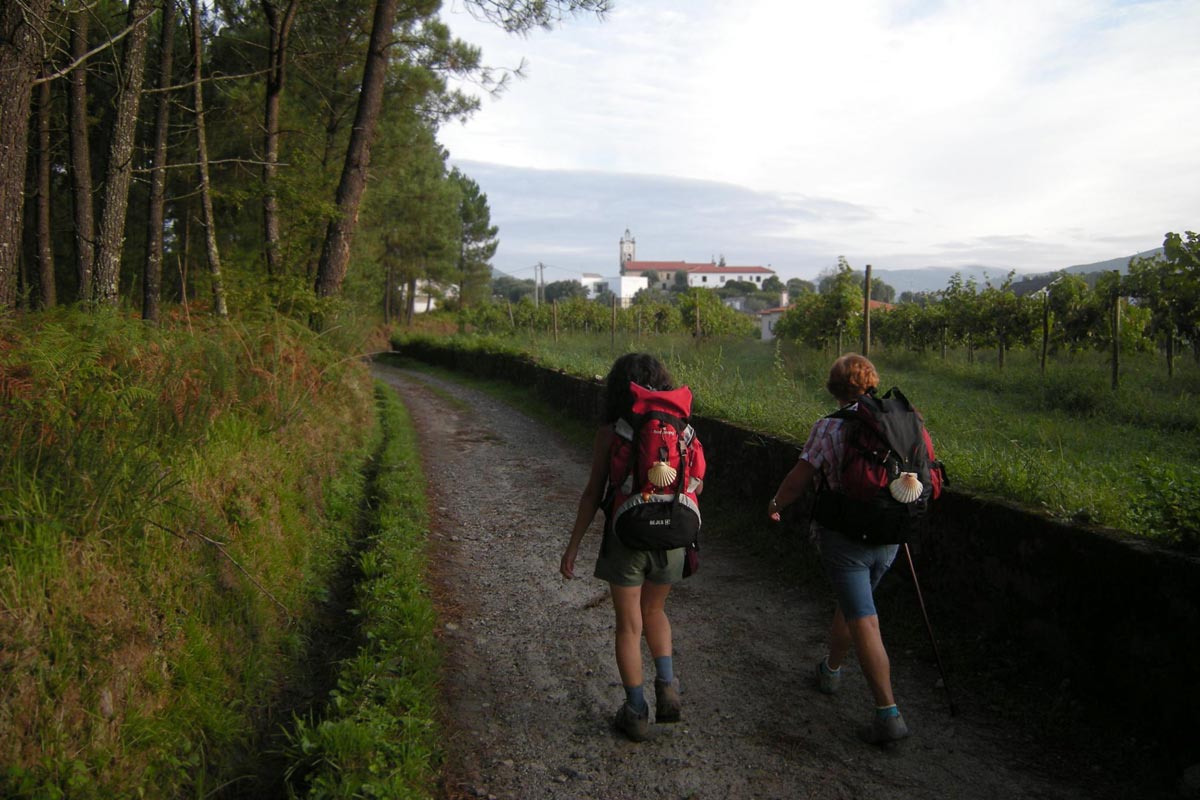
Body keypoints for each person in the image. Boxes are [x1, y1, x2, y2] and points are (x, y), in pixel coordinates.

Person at [767, 353, 910, 745]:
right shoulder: (899, 420)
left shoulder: (828, 427)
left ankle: (888, 712)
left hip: (846, 537)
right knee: (852, 605)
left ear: (834, 389)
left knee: (864, 618)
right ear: (871, 383)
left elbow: (799, 479)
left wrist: (776, 504)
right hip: (891, 535)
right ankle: (830, 671)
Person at [560, 352, 695, 742]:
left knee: (628, 625)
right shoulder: (682, 427)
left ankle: (636, 712)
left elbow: (592, 494)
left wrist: (573, 548)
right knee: (655, 611)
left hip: (626, 536)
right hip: (671, 535)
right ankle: (667, 684)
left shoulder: (611, 431)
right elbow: (695, 483)